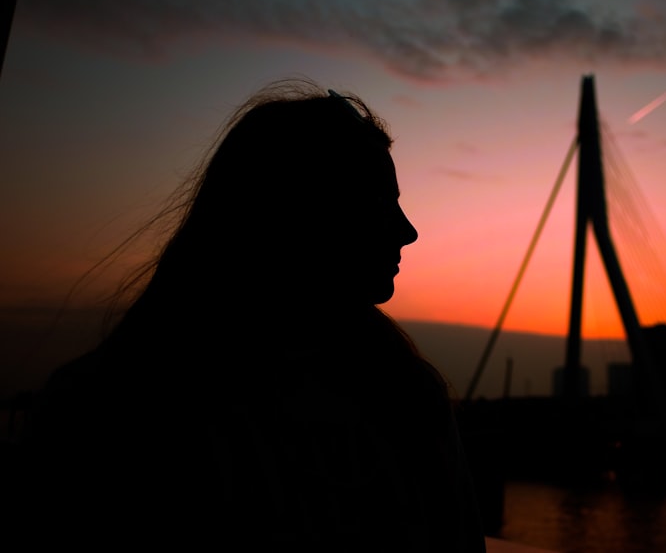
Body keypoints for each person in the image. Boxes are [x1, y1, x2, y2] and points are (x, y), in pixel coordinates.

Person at [20, 80, 487, 550]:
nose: (408, 232)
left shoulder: (407, 395)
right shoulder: (121, 416)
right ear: (299, 214)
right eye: (380, 204)